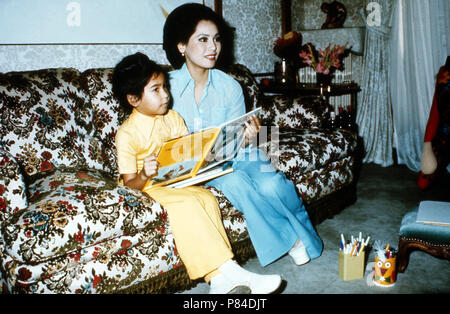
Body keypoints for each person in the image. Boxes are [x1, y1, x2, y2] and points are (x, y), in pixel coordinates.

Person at [163, 3, 323, 268]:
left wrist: (250, 135)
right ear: (181, 46)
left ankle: (306, 236)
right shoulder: (166, 87)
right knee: (236, 184)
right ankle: (293, 240)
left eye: (216, 39)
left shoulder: (230, 86)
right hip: (200, 166)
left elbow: (236, 138)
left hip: (236, 152)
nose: (212, 47)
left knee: (272, 184)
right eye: (202, 40)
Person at [112, 52, 282, 294]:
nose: (165, 95)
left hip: (175, 182)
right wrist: (143, 174)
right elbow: (129, 184)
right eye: (156, 90)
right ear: (133, 99)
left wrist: (203, 160)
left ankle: (218, 281)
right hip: (147, 187)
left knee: (206, 198)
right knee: (187, 204)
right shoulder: (126, 134)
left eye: (165, 87)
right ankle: (234, 271)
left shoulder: (173, 118)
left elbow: (186, 156)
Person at [417, 56, 450, 190]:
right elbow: (435, 112)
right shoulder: (445, 74)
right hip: (444, 135)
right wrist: (427, 143)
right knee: (423, 182)